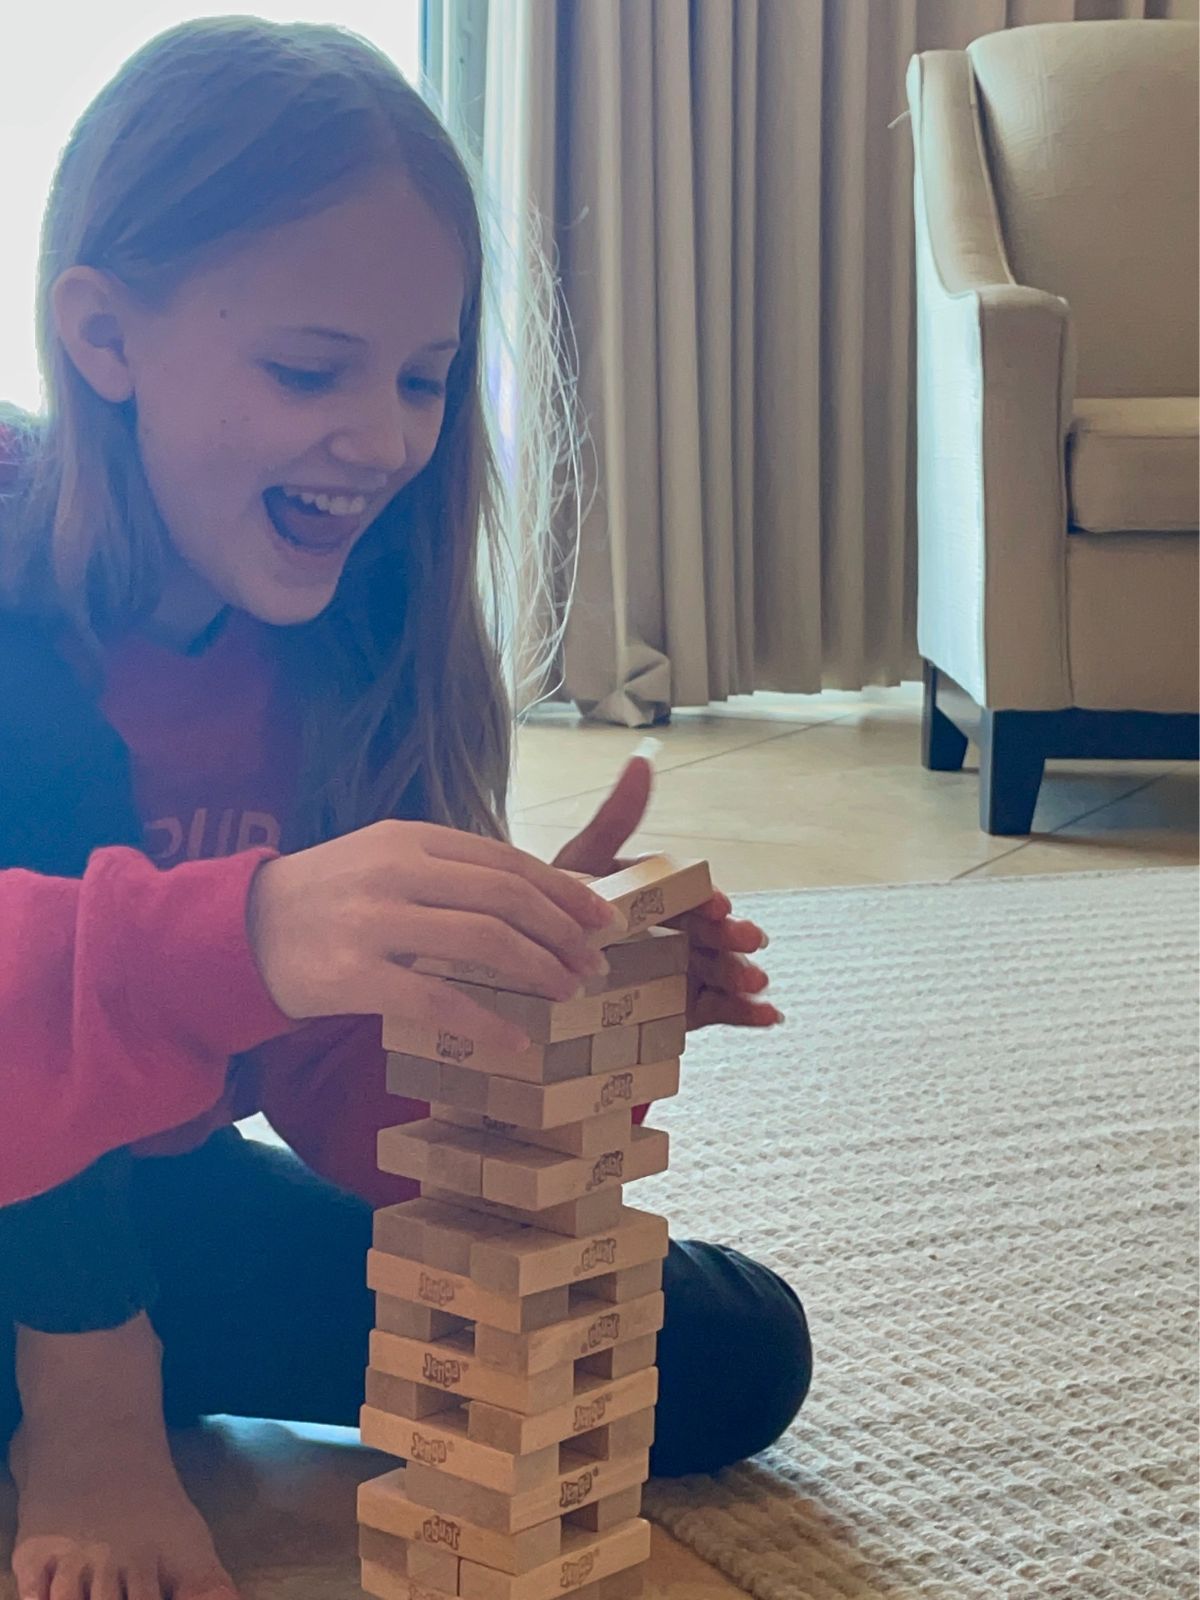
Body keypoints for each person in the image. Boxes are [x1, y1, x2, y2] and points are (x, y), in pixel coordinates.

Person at [0, 18, 812, 1600]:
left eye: (426, 376)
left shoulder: (350, 635)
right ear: (103, 337)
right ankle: (89, 1385)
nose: (380, 439)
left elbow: (344, 1110)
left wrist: (519, 1021)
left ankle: (131, 1360)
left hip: (154, 1206)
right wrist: (248, 932)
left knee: (721, 1353)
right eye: (309, 368)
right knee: (44, 764)